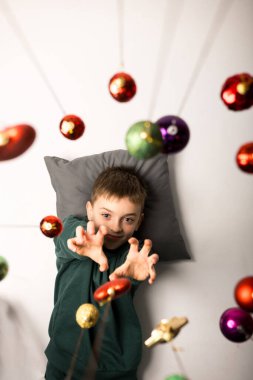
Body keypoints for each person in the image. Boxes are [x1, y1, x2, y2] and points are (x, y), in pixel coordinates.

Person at [45, 166, 159, 380]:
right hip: (64, 360)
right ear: (90, 210)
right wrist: (79, 243)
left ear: (139, 222)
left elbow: (138, 262)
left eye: (128, 219)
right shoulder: (74, 234)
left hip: (118, 368)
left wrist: (134, 273)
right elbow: (65, 238)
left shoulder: (133, 251)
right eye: (106, 215)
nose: (116, 227)